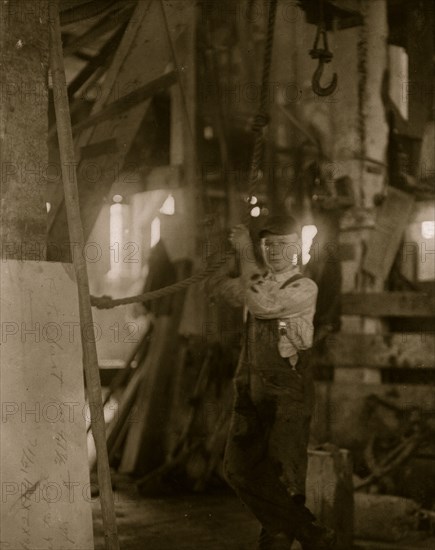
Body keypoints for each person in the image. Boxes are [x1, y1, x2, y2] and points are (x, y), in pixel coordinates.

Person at [211, 215, 336, 550]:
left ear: (296, 248)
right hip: (249, 389)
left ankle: (300, 534)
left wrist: (245, 253)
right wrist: (227, 259)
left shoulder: (304, 288)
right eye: (269, 245)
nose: (276, 252)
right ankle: (313, 534)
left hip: (286, 395)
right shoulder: (259, 278)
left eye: (284, 245)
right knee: (238, 469)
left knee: (285, 480)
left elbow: (262, 305)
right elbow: (224, 290)